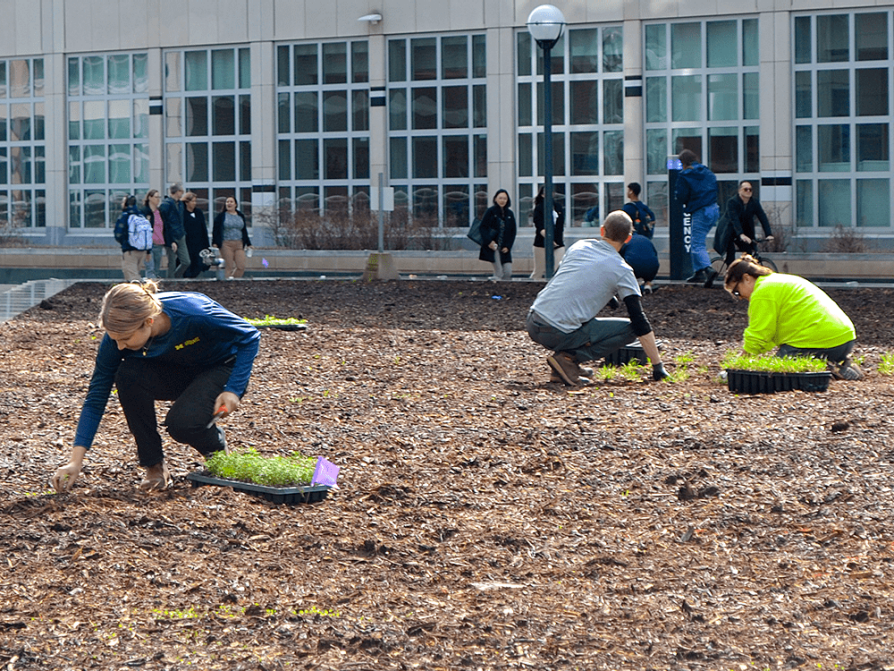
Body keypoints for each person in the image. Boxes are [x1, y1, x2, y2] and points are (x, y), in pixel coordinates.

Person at [51, 281, 261, 493]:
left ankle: (216, 451)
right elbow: (96, 395)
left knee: (183, 424)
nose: (120, 346)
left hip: (221, 367)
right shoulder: (118, 337)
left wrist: (233, 389)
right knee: (126, 374)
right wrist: (75, 461)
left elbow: (250, 335)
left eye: (125, 339)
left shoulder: (195, 312)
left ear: (149, 321)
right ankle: (154, 466)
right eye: (115, 340)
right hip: (179, 368)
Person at [526, 210, 669, 386]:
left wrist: (608, 296)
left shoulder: (579, 246)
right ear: (628, 238)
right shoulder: (622, 270)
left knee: (580, 316)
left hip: (533, 320)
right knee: (631, 329)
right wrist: (657, 366)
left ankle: (561, 371)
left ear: (602, 231)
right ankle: (569, 359)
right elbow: (639, 320)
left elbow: (568, 278)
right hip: (557, 332)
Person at [723, 255, 863, 380]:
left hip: (820, 340)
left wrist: (738, 367)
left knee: (776, 373)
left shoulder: (762, 292)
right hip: (844, 338)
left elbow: (758, 334)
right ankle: (839, 363)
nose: (740, 297)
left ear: (747, 278)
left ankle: (830, 368)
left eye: (736, 292)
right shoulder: (780, 280)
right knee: (777, 364)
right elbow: (769, 335)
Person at [675, 149, 719, 287]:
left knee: (697, 243)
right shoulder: (707, 171)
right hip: (714, 209)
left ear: (683, 162)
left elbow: (681, 195)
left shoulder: (684, 175)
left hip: (700, 211)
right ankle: (698, 272)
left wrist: (686, 201)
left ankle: (708, 269)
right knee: (698, 240)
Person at [721, 181, 774, 265]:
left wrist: (769, 234)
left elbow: (762, 217)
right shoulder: (732, 202)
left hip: (746, 232)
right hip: (730, 231)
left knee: (748, 253)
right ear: (739, 191)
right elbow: (734, 220)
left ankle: (745, 273)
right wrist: (741, 234)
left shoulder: (754, 202)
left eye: (750, 189)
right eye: (745, 189)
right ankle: (730, 273)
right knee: (731, 254)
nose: (748, 191)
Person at [478, 189, 517, 281]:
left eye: (505, 198)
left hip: (504, 247)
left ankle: (505, 290)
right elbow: (482, 227)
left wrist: (508, 246)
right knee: (499, 272)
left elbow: (513, 232)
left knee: (508, 272)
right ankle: (496, 290)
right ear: (495, 199)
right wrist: (489, 242)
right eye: (500, 198)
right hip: (493, 245)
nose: (502, 200)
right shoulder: (490, 212)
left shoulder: (510, 214)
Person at [212, 196, 253, 280]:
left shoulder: (240, 215)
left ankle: (233, 280)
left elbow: (244, 230)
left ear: (235, 204)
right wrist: (215, 242)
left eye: (231, 202)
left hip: (239, 244)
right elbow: (216, 230)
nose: (229, 204)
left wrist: (249, 244)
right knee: (228, 266)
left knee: (241, 266)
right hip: (226, 243)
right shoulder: (221, 216)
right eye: (227, 202)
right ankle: (225, 283)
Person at [530, 186, 565, 280]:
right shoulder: (539, 208)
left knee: (559, 267)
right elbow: (539, 226)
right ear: (542, 195)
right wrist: (550, 239)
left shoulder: (558, 206)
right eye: (546, 193)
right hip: (542, 242)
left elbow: (560, 225)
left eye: (551, 192)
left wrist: (557, 240)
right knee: (539, 270)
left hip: (558, 242)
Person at [115, 195, 153, 282]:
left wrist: (124, 244)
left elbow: (118, 234)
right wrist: (148, 251)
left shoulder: (124, 216)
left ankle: (139, 295)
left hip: (130, 251)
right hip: (142, 250)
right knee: (134, 273)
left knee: (133, 278)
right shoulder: (141, 216)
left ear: (125, 204)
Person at [159, 183, 190, 279]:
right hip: (170, 235)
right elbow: (165, 224)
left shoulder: (180, 204)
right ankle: (171, 282)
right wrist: (170, 240)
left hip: (180, 234)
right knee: (171, 262)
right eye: (181, 192)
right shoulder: (166, 205)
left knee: (186, 261)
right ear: (177, 192)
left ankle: (174, 278)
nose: (182, 194)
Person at [181, 192, 211, 278]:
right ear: (187, 202)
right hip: (188, 244)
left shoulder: (198, 212)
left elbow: (203, 229)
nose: (194, 203)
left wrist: (206, 246)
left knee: (199, 264)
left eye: (195, 201)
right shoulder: (183, 214)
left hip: (199, 243)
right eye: (192, 201)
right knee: (188, 264)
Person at [141, 189, 164, 279]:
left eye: (159, 197)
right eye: (156, 197)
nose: (158, 199)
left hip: (159, 243)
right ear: (150, 198)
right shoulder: (145, 211)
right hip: (149, 244)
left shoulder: (159, 212)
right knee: (150, 268)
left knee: (156, 269)